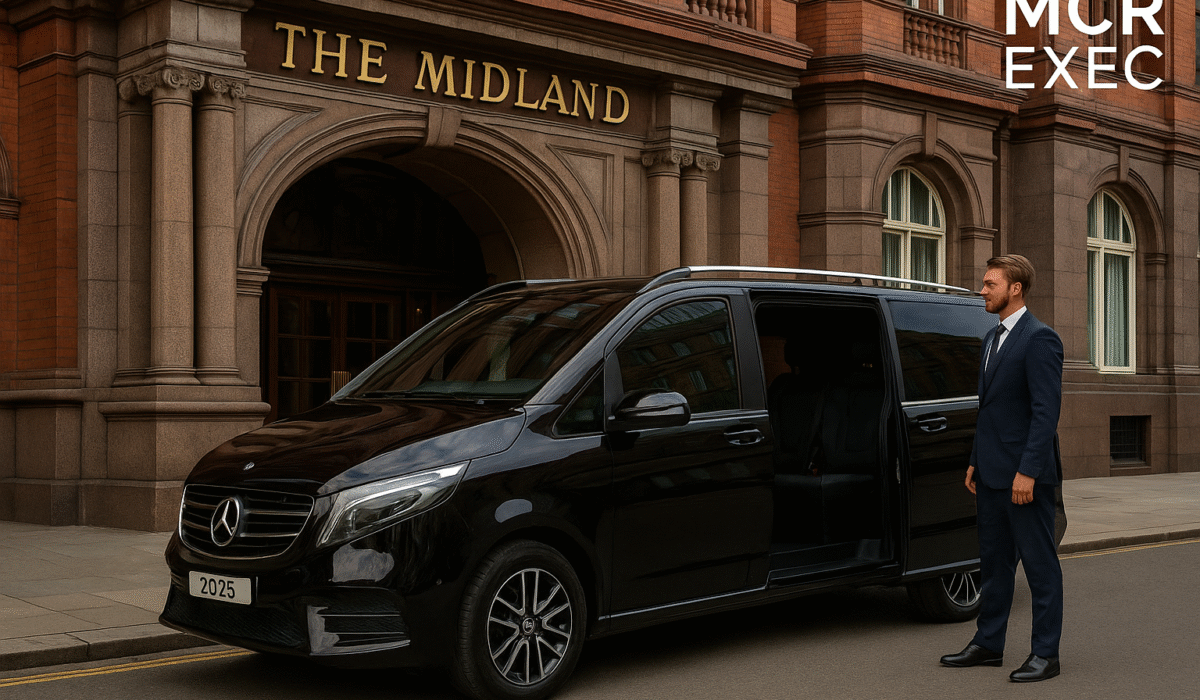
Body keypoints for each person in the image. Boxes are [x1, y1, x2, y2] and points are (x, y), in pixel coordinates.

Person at [940, 254, 1064, 682]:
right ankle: (988, 644)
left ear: (1015, 289)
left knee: (1039, 565)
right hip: (991, 472)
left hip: (1024, 478)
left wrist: (1027, 472)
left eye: (990, 283)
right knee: (993, 565)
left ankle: (1046, 654)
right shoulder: (991, 340)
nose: (982, 289)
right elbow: (990, 410)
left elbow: (1045, 414)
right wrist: (975, 460)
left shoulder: (1040, 339)